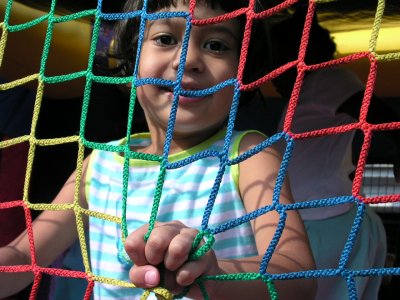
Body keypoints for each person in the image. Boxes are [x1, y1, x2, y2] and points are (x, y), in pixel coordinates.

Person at [0, 0, 317, 299]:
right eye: (166, 39)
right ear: (132, 63)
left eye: (216, 45)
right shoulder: (102, 163)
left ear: (242, 74)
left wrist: (213, 274)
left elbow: (296, 275)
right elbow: (22, 257)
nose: (188, 60)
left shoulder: (249, 155)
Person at [270, 6, 399, 300]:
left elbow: (382, 116)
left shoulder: (325, 81)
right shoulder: (300, 99)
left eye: (276, 64)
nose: (273, 77)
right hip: (307, 222)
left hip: (327, 226)